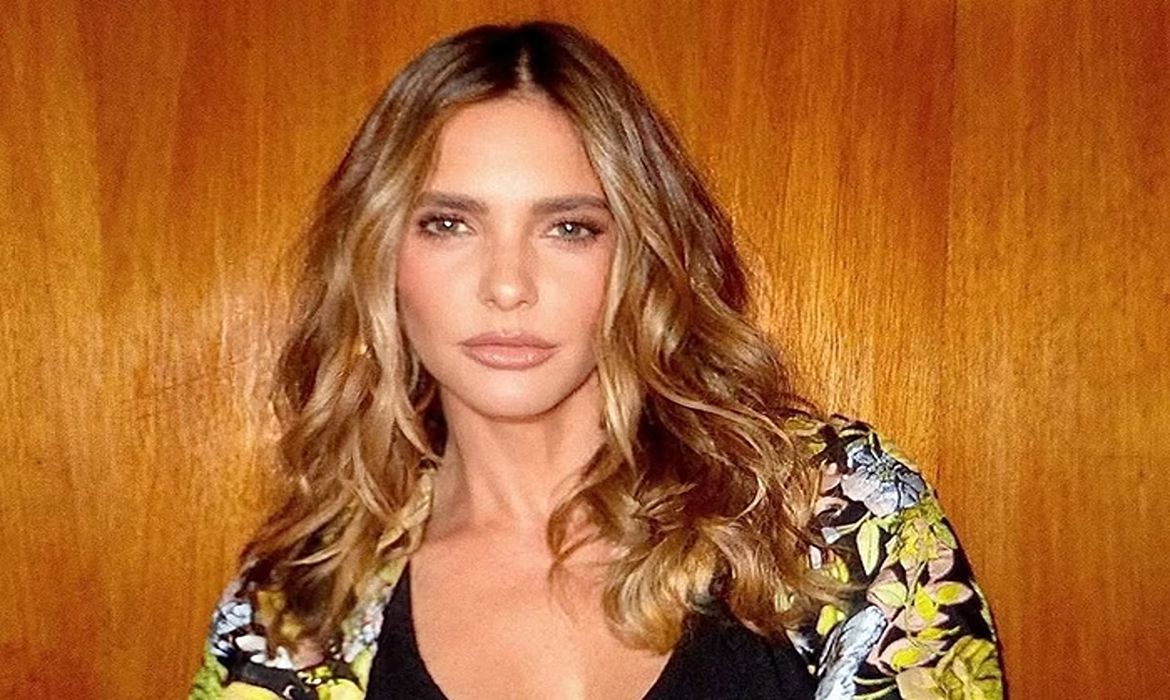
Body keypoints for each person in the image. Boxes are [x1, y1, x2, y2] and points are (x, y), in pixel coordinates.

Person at [188, 20, 1004, 700]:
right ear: (377, 256)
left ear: (641, 257)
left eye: (569, 228)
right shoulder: (298, 612)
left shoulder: (833, 511)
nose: (508, 285)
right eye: (448, 224)